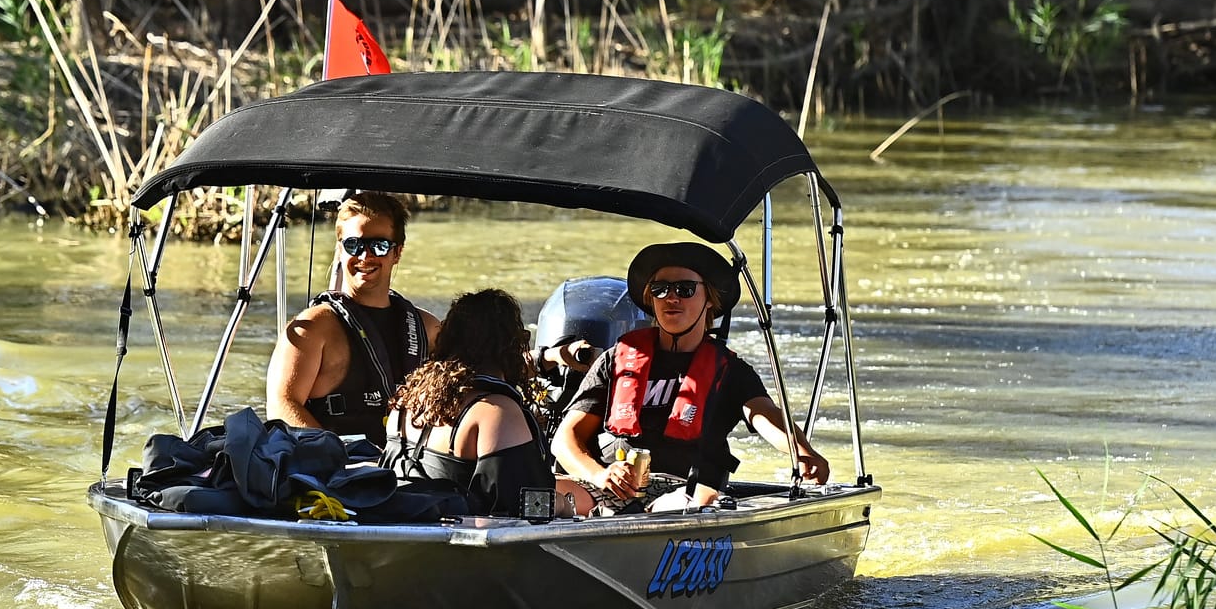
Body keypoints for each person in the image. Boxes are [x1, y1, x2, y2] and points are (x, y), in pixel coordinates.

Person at [552, 241, 830, 512]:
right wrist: (599, 475)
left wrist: (802, 451)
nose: (671, 298)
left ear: (709, 299)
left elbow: (763, 415)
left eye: (684, 289)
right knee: (540, 494)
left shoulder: (730, 370)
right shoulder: (616, 359)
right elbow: (565, 439)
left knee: (702, 500)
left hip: (687, 489)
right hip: (612, 484)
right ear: (650, 298)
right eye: (660, 290)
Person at [266, 192, 441, 445]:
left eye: (379, 246)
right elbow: (281, 407)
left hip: (410, 471)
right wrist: (343, 463)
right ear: (340, 250)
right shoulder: (311, 329)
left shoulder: (428, 329)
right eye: (353, 245)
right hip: (335, 475)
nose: (364, 257)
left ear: (397, 253)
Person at [383, 289, 574, 517]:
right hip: (461, 549)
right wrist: (566, 504)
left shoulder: (406, 403)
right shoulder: (496, 412)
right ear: (511, 347)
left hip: (396, 530)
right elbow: (531, 507)